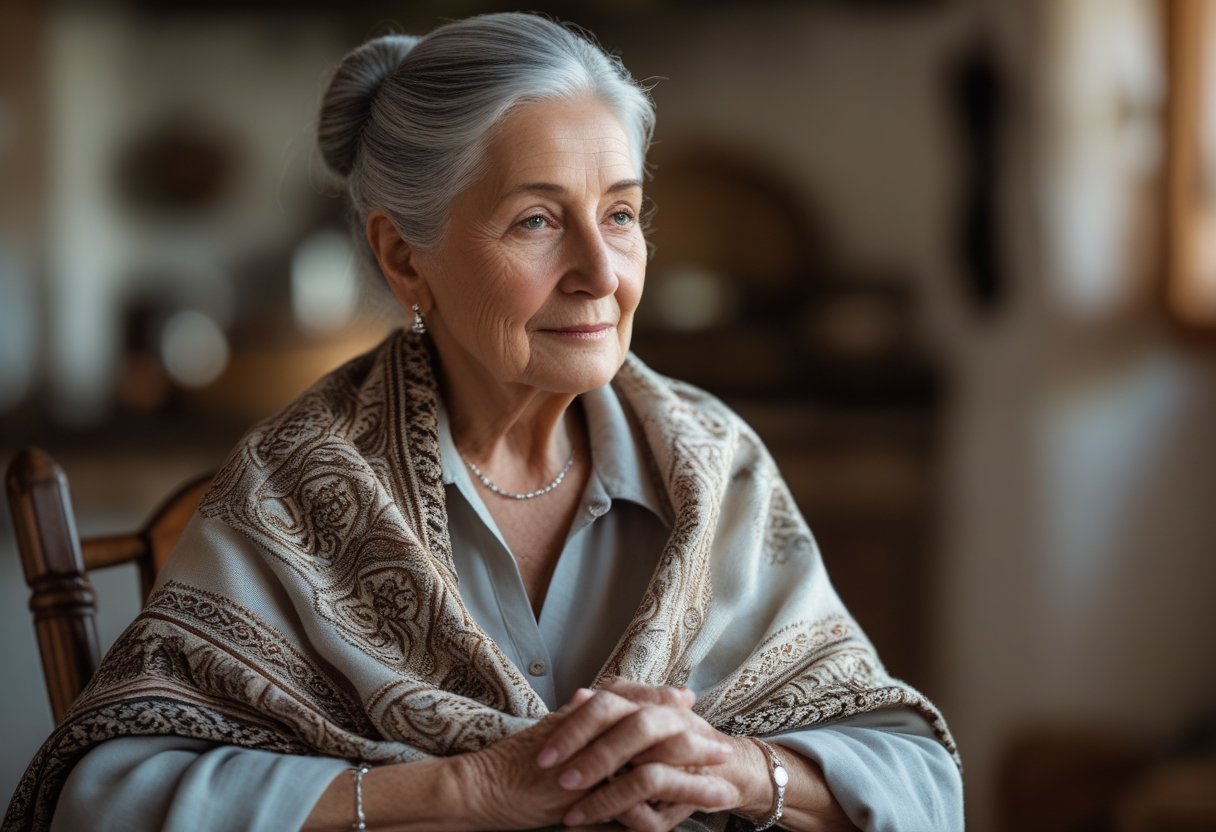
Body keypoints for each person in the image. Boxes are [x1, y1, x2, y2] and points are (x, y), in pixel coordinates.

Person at [5, 13, 962, 832]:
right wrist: (463, 789)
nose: (601, 271)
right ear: (404, 258)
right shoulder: (298, 484)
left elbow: (923, 781)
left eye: (621, 214)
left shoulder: (713, 466)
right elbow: (102, 798)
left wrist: (740, 769)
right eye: (538, 221)